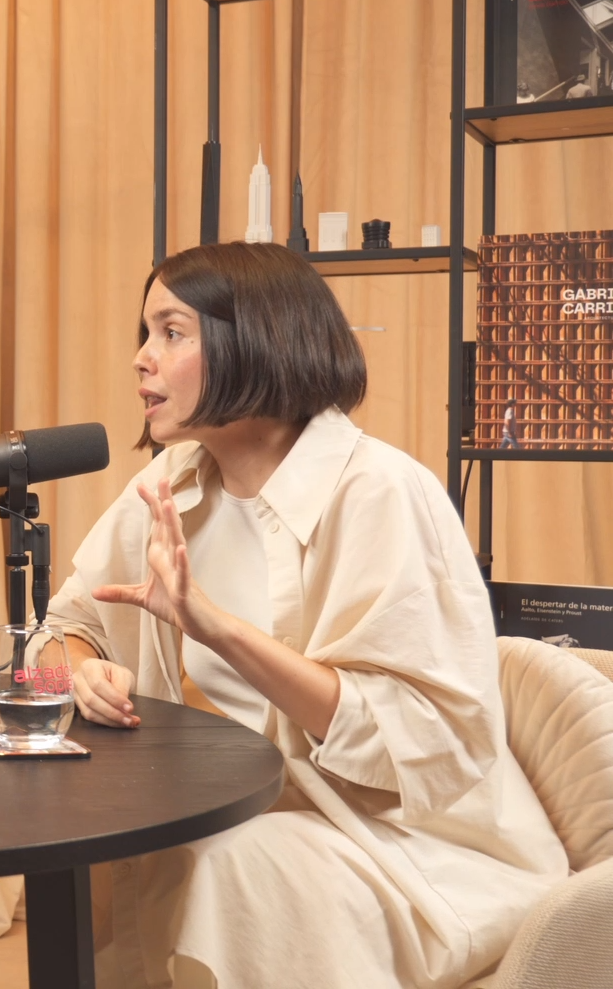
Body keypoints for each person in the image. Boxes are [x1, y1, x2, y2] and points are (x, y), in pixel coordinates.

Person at [47, 242, 567, 989]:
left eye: (171, 331)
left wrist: (216, 627)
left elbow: (424, 741)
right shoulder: (172, 483)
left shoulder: (383, 493)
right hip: (247, 811)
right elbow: (69, 623)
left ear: (252, 340)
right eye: (144, 332)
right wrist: (80, 669)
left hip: (411, 840)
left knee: (231, 864)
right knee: (102, 841)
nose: (141, 358)